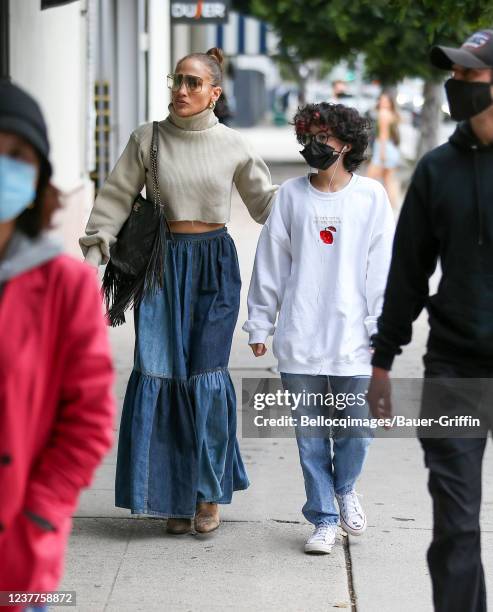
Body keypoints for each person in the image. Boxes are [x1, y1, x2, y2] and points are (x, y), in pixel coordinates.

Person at [79, 48, 278, 536]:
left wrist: (323, 190)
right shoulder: (146, 139)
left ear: (215, 92)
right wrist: (93, 253)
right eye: (177, 81)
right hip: (159, 267)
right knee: (159, 372)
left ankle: (207, 494)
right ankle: (171, 493)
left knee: (206, 376)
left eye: (194, 83)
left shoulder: (234, 144)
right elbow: (115, 199)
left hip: (214, 266)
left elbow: (268, 206)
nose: (182, 91)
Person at [367, 29, 493, 612]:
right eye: (456, 75)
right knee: (456, 532)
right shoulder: (437, 171)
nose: (458, 85)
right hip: (453, 368)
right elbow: (407, 273)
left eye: (471, 74)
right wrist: (383, 360)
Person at [243, 102, 395, 554]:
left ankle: (345, 488)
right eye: (308, 135)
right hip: (301, 334)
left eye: (323, 137)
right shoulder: (290, 196)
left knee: (357, 429)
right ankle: (324, 517)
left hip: (354, 337)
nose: (314, 145)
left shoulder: (370, 198)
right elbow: (270, 263)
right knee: (310, 438)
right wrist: (259, 323)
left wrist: (380, 327)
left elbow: (381, 268)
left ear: (346, 143)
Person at [0, 81, 115, 612]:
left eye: (16, 155)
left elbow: (88, 420)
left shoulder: (64, 286)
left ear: (39, 175)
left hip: (18, 560)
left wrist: (39, 512)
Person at [366, 91, 401, 209]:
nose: (382, 102)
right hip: (392, 149)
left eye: (385, 101)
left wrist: (382, 153)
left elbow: (384, 135)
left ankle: (365, 204)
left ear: (390, 103)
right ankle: (393, 206)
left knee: (369, 179)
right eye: (381, 100)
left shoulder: (383, 113)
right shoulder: (392, 114)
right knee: (389, 179)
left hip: (384, 148)